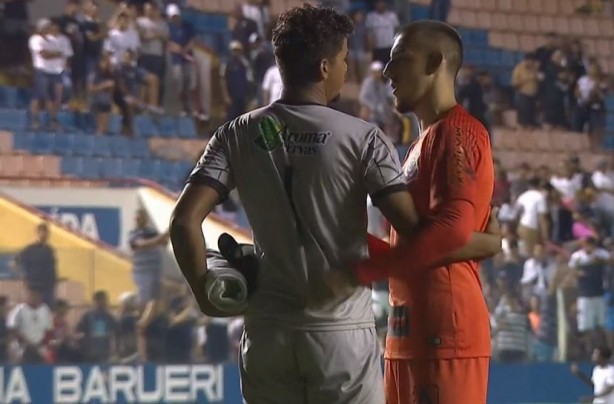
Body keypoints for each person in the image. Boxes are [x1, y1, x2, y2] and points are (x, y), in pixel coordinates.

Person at [169, 6, 499, 404]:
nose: (376, 72)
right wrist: (485, 242)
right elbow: (423, 235)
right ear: (325, 67)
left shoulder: (235, 132)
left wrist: (206, 294)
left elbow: (184, 221)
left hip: (270, 331)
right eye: (345, 60)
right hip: (342, 331)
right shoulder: (364, 137)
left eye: (399, 61)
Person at [352, 21, 495, 403]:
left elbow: (452, 231)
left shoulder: (460, 133)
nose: (386, 71)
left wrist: (369, 268)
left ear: (434, 62)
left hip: (445, 332)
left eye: (399, 59)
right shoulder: (419, 145)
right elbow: (421, 240)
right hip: (407, 333)